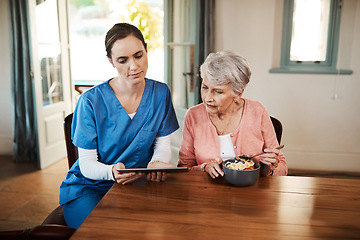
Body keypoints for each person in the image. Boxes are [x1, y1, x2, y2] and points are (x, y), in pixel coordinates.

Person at [59, 23, 179, 229]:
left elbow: (162, 144)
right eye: (123, 60)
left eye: (138, 55)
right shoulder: (90, 101)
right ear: (111, 61)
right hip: (92, 187)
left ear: (146, 50)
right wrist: (111, 172)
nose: (134, 66)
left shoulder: (160, 93)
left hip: (139, 184)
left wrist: (158, 162)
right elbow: (86, 164)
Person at [178, 51, 287, 178]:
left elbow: (283, 167)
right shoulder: (193, 116)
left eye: (218, 92)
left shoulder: (257, 112)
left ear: (238, 93)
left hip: (251, 192)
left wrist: (268, 168)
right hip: (207, 193)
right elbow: (183, 169)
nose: (207, 98)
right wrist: (204, 168)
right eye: (205, 87)